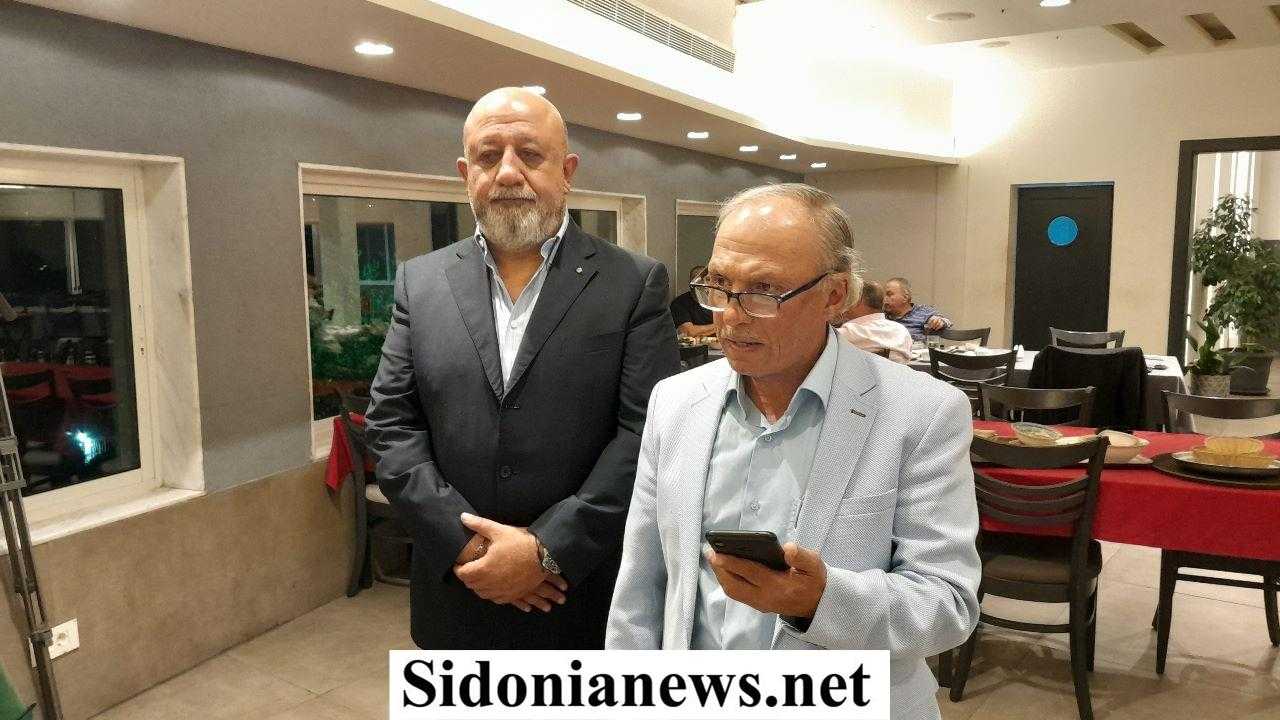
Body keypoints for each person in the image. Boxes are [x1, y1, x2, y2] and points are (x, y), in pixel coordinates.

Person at [606, 183, 980, 719]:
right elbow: (642, 585)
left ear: (834, 295)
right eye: (719, 286)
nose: (731, 316)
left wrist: (820, 601)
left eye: (764, 291)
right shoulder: (676, 402)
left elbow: (947, 603)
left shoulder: (921, 414)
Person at [365, 87, 681, 650]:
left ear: (567, 171)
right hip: (458, 593)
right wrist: (468, 544)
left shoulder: (633, 283)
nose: (508, 172)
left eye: (530, 154)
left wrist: (546, 550)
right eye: (488, 156)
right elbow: (391, 424)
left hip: (579, 593)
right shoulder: (421, 281)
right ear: (466, 174)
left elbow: (647, 434)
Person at [834, 280, 913, 363]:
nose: (844, 305)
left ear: (858, 301)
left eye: (849, 299)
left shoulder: (845, 334)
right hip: (897, 371)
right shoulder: (902, 331)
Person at [884, 277, 951, 341]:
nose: (884, 299)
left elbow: (947, 322)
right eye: (884, 295)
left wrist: (938, 321)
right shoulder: (882, 316)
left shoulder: (922, 311)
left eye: (889, 294)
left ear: (905, 297)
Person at [669, 264, 716, 337]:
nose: (704, 284)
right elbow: (689, 332)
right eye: (699, 280)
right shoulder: (680, 303)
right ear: (691, 283)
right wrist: (720, 326)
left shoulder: (718, 302)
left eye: (708, 279)